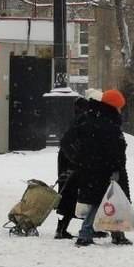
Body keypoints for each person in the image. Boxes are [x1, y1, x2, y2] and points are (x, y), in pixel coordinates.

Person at [74, 89, 133, 247]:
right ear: (113, 106)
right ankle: (85, 234)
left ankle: (116, 234)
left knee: (112, 201)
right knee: (105, 201)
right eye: (119, 106)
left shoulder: (97, 120)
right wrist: (115, 168)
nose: (121, 109)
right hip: (107, 170)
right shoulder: (108, 124)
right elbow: (113, 150)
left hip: (96, 168)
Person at [55, 97, 89, 239]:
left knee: (69, 196)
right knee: (73, 195)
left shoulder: (74, 120)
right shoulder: (81, 121)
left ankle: (62, 228)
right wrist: (76, 159)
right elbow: (70, 142)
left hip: (67, 163)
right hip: (72, 165)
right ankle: (63, 229)